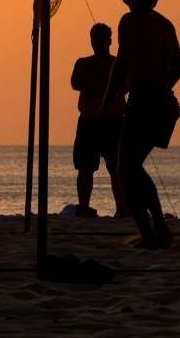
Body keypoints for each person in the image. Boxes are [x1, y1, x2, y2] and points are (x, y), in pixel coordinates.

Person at [101, 0, 180, 249]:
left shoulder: (130, 21)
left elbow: (120, 64)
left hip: (147, 102)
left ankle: (153, 232)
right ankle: (156, 229)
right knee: (131, 167)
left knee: (126, 169)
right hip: (163, 103)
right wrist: (162, 87)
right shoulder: (165, 23)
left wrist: (107, 101)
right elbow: (179, 67)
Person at [71, 22, 127, 217]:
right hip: (89, 121)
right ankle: (84, 207)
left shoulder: (117, 64)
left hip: (113, 121)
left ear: (110, 41)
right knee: (86, 168)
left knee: (117, 168)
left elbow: (126, 86)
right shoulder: (83, 63)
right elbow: (75, 82)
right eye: (96, 39)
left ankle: (122, 209)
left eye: (102, 39)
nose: (98, 43)